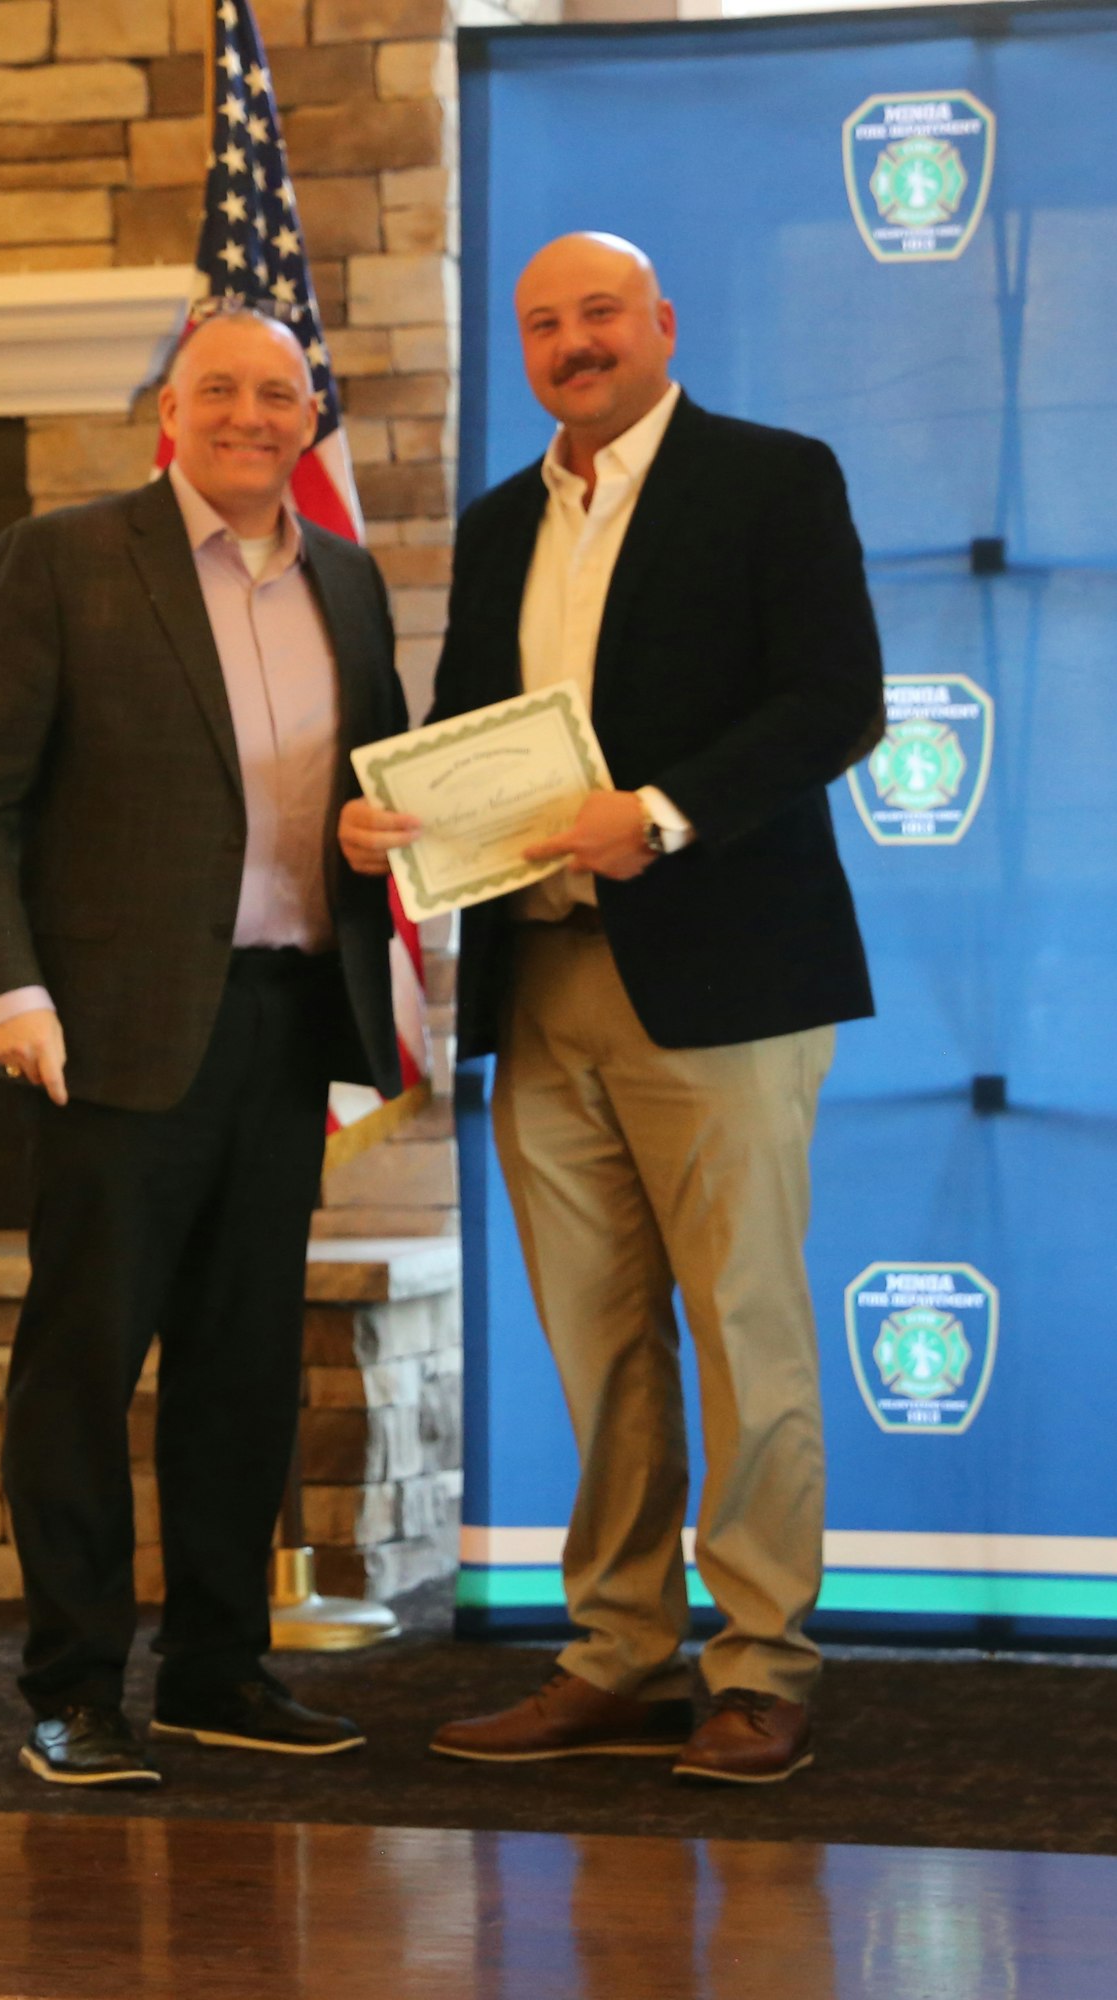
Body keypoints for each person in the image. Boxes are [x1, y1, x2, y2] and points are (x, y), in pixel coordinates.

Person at [340, 233, 883, 1784]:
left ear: (659, 319)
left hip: (720, 976)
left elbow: (837, 699)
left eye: (596, 315)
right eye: (541, 325)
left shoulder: (774, 477)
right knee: (598, 1345)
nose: (570, 343)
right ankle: (618, 1656)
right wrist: (398, 813)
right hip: (543, 976)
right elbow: (464, 730)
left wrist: (655, 812)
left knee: (744, 1330)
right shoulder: (508, 517)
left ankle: (761, 1663)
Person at [0, 301, 407, 1787]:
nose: (252, 414)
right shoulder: (65, 559)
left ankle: (214, 1668)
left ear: (308, 417)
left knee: (243, 1370)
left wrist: (379, 832)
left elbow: (370, 781)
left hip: (284, 1025)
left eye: (279, 391)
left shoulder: (347, 577)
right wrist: (9, 994)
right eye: (221, 390)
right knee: (82, 1372)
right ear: (170, 409)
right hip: (106, 1042)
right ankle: (72, 1688)